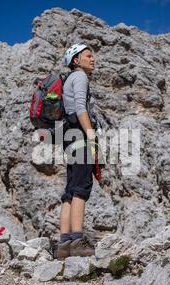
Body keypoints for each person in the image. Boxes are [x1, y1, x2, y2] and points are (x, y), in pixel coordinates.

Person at [54, 43, 98, 259]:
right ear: (76, 60)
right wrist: (91, 134)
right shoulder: (79, 77)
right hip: (79, 133)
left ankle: (64, 244)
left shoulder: (69, 80)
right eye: (88, 55)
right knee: (81, 186)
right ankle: (78, 241)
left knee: (70, 189)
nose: (93, 59)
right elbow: (80, 108)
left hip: (67, 134)